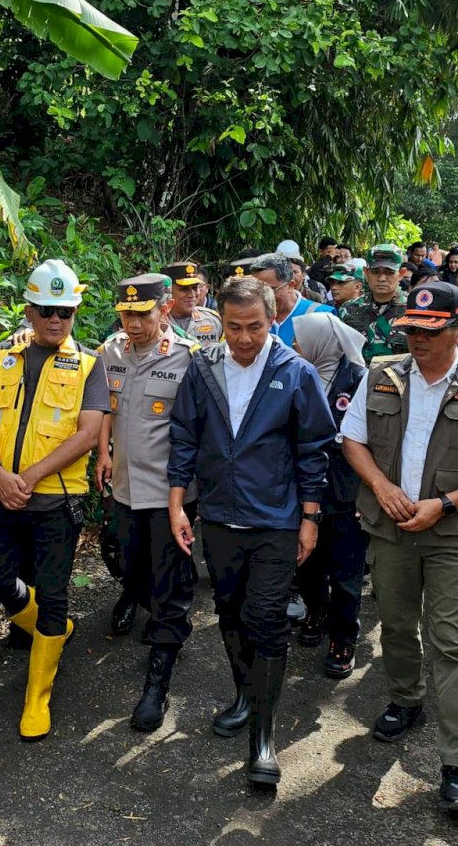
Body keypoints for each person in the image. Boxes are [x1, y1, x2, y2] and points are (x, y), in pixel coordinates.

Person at [166, 277, 335, 785]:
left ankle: (263, 736)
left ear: (271, 321)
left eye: (255, 327)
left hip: (276, 520)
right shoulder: (203, 368)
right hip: (219, 517)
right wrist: (178, 506)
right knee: (230, 611)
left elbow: (313, 449)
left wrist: (309, 518)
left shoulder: (296, 373)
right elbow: (183, 439)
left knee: (266, 618)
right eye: (234, 328)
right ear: (220, 323)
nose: (244, 339)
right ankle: (244, 692)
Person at [0, 259, 109, 741]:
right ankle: (52, 630)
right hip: (6, 496)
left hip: (55, 501)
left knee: (52, 595)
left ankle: (37, 699)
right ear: (30, 310)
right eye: (47, 310)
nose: (56, 320)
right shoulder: (3, 356)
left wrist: (26, 477)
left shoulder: (90, 364)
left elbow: (89, 433)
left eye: (66, 312)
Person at [341, 281, 458, 812]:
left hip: (449, 531)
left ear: (455, 329)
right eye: (411, 329)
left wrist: (446, 504)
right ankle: (406, 698)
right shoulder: (382, 375)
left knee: (450, 641)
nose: (417, 339)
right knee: (393, 620)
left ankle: (454, 761)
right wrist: (382, 488)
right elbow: (352, 439)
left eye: (430, 331)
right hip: (391, 527)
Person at [95, 275, 198, 675]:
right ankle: (139, 599)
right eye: (125, 314)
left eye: (142, 314)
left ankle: (169, 633)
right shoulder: (111, 352)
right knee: (130, 560)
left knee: (169, 568)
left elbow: (196, 429)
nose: (133, 324)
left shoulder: (189, 357)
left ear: (165, 309)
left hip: (169, 489)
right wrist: (102, 450)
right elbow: (104, 406)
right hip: (124, 483)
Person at [292, 313, 368, 678]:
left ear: (323, 343)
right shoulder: (296, 374)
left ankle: (343, 637)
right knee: (307, 563)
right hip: (305, 490)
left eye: (302, 340)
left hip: (345, 493)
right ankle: (316, 611)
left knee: (346, 571)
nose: (295, 346)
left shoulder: (357, 379)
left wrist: (365, 496)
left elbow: (371, 443)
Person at [338, 244, 408, 364]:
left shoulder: (413, 309)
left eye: (389, 272)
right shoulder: (349, 310)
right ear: (366, 272)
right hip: (359, 380)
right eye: (375, 272)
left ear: (401, 274)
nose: (381, 278)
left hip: (402, 380)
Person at [249, 252, 334, 346]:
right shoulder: (250, 317)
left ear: (290, 286)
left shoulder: (321, 316)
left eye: (269, 290)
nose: (262, 298)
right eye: (256, 291)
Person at [161, 261, 223, 345]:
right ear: (167, 291)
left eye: (195, 288)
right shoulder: (155, 324)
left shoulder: (212, 320)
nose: (192, 294)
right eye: (184, 289)